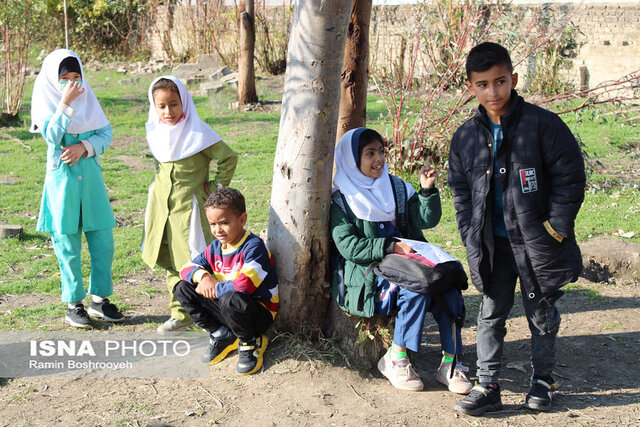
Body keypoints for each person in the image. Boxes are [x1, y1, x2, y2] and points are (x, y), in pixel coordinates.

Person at [448, 42, 586, 416]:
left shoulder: (542, 125)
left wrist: (555, 229)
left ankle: (543, 381)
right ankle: (488, 384)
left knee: (540, 312)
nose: (492, 92)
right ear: (470, 87)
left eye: (500, 81)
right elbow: (460, 190)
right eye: (482, 84)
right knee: (491, 313)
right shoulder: (464, 137)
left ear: (514, 79)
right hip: (492, 244)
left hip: (536, 242)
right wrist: (468, 232)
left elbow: (569, 178)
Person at [331, 127, 472, 394]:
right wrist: (390, 245)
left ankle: (451, 364)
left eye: (381, 152)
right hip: (369, 275)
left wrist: (427, 191)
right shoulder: (342, 200)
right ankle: (396, 358)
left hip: (408, 264)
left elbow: (425, 220)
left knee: (450, 290)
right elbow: (349, 247)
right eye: (369, 153)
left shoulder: (395, 187)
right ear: (351, 159)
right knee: (414, 291)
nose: (379, 159)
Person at [29, 49, 124, 328]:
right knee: (67, 245)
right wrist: (66, 103)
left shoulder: (90, 103)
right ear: (52, 80)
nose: (71, 84)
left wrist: (85, 146)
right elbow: (51, 136)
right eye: (64, 78)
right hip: (63, 187)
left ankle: (99, 300)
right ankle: (74, 304)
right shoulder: (49, 105)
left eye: (76, 77)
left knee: (103, 242)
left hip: (92, 184)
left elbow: (105, 133)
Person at [141, 76, 238, 334]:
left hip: (190, 209)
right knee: (171, 260)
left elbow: (228, 157)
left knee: (195, 259)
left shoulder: (198, 133)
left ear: (183, 101)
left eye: (174, 104)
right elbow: (159, 164)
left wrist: (216, 187)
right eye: (161, 106)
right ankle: (180, 313)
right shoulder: (156, 132)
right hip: (163, 208)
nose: (168, 111)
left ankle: (213, 313)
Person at [174, 187, 278, 375]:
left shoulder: (254, 247)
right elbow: (186, 269)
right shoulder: (216, 247)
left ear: (242, 219)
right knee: (182, 288)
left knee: (232, 298)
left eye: (224, 223)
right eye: (212, 224)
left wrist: (214, 287)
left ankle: (250, 341)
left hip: (257, 313)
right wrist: (204, 277)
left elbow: (244, 285)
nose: (217, 230)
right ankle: (222, 334)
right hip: (228, 307)